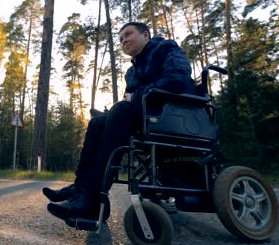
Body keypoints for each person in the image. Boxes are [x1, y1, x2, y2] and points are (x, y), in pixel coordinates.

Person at [43, 21, 198, 220]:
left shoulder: (166, 48)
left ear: (145, 35)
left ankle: (90, 197)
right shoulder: (132, 72)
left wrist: (137, 95)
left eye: (128, 34)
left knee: (120, 109)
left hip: (177, 113)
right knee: (98, 122)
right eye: (120, 38)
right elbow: (130, 99)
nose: (124, 40)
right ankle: (82, 188)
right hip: (146, 119)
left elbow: (178, 78)